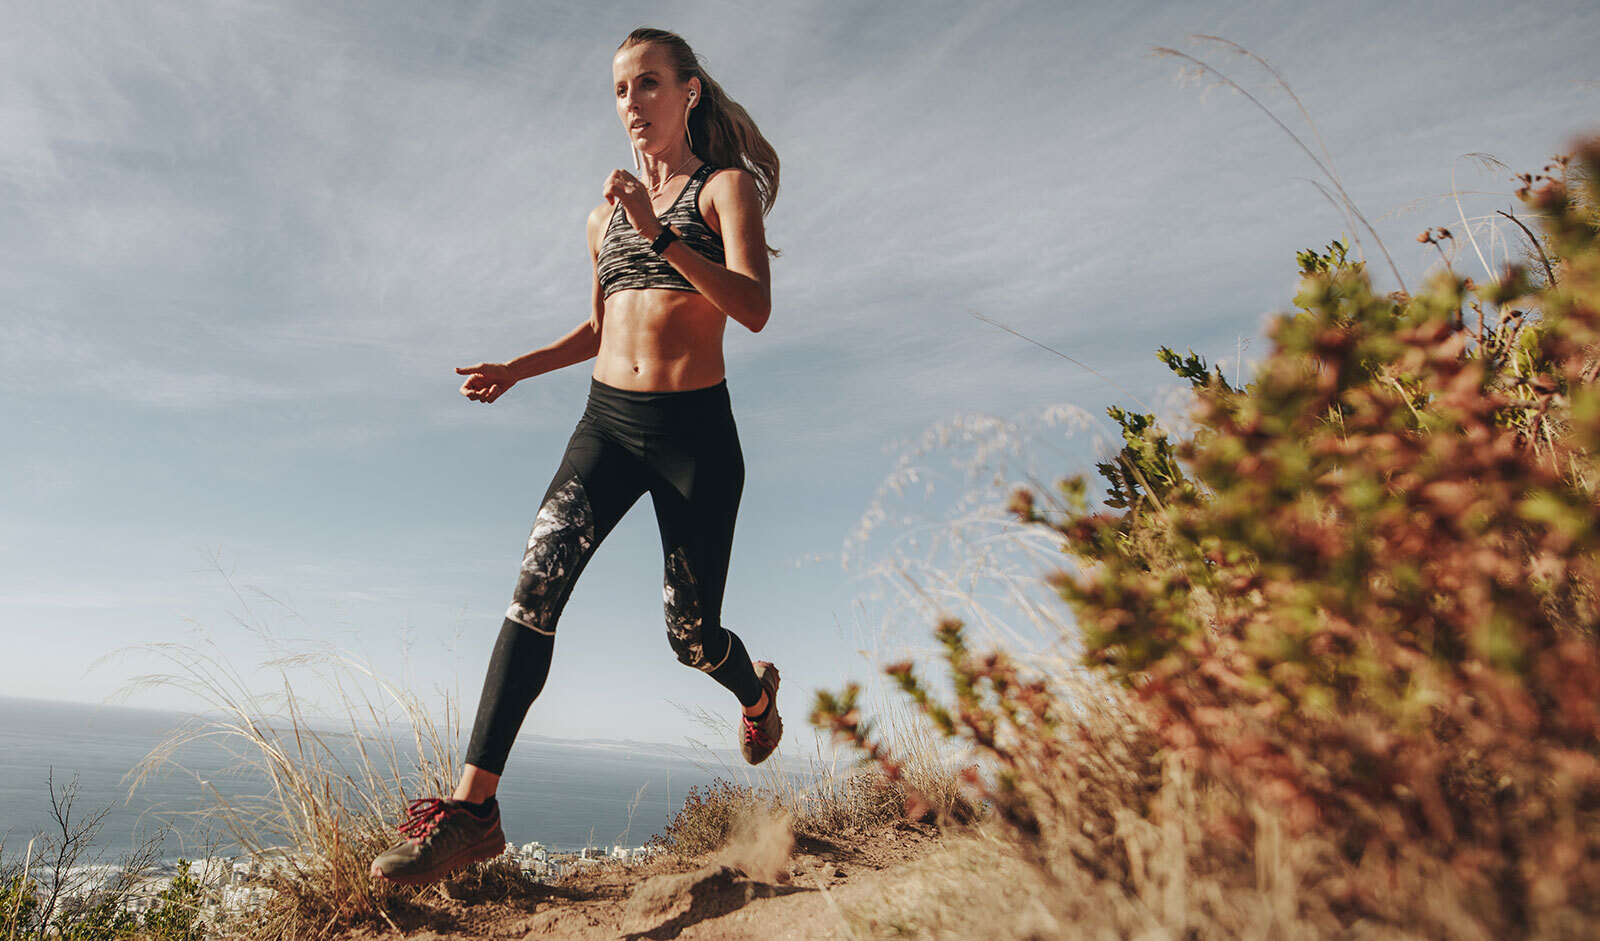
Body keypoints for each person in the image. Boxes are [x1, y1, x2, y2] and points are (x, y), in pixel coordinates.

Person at [370, 27, 783, 885]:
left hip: (694, 435)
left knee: (691, 634)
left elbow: (753, 308)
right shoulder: (602, 215)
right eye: (621, 89)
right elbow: (600, 327)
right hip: (607, 424)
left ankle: (755, 693)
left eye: (649, 84)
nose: (632, 103)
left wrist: (660, 233)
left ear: (689, 92)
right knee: (534, 587)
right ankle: (472, 810)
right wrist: (517, 368)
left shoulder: (723, 189)